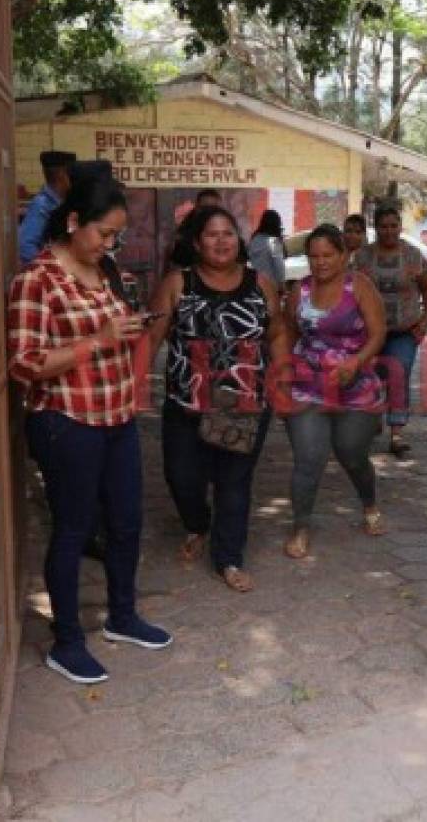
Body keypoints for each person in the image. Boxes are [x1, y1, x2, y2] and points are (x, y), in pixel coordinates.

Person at [7, 164, 171, 685]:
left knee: (125, 522)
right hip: (67, 423)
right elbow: (24, 363)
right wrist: (98, 341)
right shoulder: (37, 280)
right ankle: (67, 641)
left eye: (115, 235)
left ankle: (123, 616)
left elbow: (108, 329)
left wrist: (127, 329)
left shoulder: (105, 272)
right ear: (74, 220)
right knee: (74, 530)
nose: (109, 243)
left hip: (117, 416)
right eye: (103, 233)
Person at [146, 205, 288, 592]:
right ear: (196, 242)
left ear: (238, 240)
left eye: (228, 233)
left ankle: (229, 558)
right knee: (181, 477)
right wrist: (133, 385)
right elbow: (151, 337)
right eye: (212, 234)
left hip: (243, 403)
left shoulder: (260, 284)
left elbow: (276, 333)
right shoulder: (179, 282)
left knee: (234, 482)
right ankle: (196, 524)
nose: (221, 241)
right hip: (185, 403)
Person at [281, 224, 387, 559]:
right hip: (309, 387)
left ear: (343, 255)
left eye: (328, 255)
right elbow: (288, 330)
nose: (321, 262)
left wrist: (356, 362)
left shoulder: (359, 286)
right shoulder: (301, 290)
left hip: (356, 387)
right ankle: (300, 527)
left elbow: (378, 332)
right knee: (308, 458)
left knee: (351, 453)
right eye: (314, 256)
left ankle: (369, 504)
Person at [350, 206, 427, 457]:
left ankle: (397, 434)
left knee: (399, 375)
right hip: (369, 333)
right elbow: (352, 291)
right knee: (370, 379)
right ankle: (370, 422)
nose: (389, 231)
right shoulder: (363, 257)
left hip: (404, 331)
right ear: (375, 229)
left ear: (400, 227)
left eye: (393, 225)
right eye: (383, 226)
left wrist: (425, 322)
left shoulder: (414, 256)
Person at [18, 150, 76, 265]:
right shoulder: (42, 205)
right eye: (73, 174)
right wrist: (50, 268)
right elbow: (25, 245)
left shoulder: (59, 202)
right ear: (62, 176)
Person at [168, 188, 223, 270]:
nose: (208, 212)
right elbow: (176, 266)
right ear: (197, 207)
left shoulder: (228, 228)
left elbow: (242, 262)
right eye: (205, 207)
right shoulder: (184, 234)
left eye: (213, 208)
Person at [248, 208, 286, 287]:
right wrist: (282, 285)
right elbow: (279, 265)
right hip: (270, 285)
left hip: (255, 283)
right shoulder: (273, 241)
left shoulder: (254, 239)